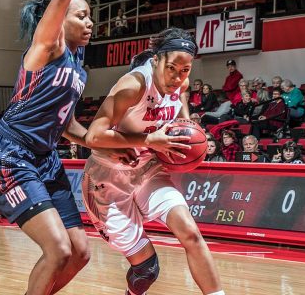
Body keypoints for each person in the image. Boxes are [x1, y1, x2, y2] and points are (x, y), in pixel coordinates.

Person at [82, 27, 224, 295]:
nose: (178, 77)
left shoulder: (180, 82)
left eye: (185, 70)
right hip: (107, 180)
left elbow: (182, 118)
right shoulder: (132, 85)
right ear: (156, 59)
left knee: (191, 233)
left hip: (148, 171)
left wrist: (189, 136)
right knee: (146, 270)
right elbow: (93, 136)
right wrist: (147, 140)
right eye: (172, 68)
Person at [0, 0, 93, 294]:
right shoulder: (47, 47)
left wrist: (106, 143)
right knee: (58, 250)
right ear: (57, 20)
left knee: (80, 252)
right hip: (10, 154)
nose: (90, 22)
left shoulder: (79, 65)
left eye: (90, 15)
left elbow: (68, 126)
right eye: (81, 15)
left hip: (46, 158)